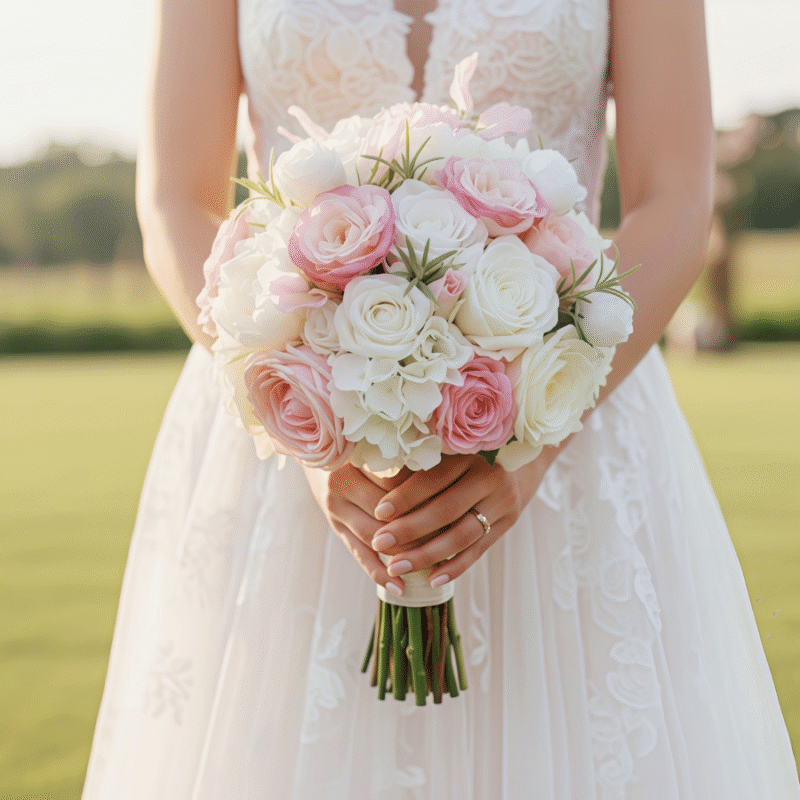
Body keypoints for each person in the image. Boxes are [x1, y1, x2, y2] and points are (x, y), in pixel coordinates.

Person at [82, 0, 800, 797]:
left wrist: (532, 441)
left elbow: (675, 197)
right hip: (286, 431)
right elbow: (175, 200)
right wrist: (308, 428)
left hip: (572, 418)